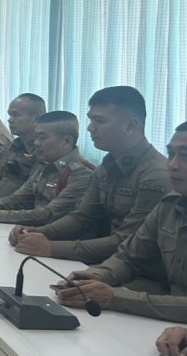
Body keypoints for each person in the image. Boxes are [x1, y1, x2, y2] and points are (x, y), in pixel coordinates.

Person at [10, 86, 170, 262]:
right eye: (91, 120)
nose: (90, 128)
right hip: (108, 261)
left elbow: (128, 242)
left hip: (134, 269)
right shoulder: (107, 167)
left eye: (99, 121)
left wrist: (51, 248)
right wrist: (36, 232)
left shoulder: (154, 176)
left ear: (130, 126)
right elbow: (82, 218)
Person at [54, 123, 187, 321]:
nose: (173, 165)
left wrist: (115, 297)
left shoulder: (155, 177)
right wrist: (98, 275)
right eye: (171, 154)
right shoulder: (171, 205)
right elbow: (129, 257)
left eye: (185, 156)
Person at [0, 111, 94, 226]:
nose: (36, 143)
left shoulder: (81, 174)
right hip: (32, 232)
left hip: (55, 240)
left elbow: (48, 214)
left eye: (42, 137)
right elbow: (16, 200)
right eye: (36, 137)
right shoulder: (45, 164)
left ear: (66, 142)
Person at [0, 93, 46, 200]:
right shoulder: (14, 145)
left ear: (36, 118)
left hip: (10, 208)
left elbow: (28, 197)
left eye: (16, 115)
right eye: (10, 115)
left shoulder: (42, 151)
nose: (10, 120)